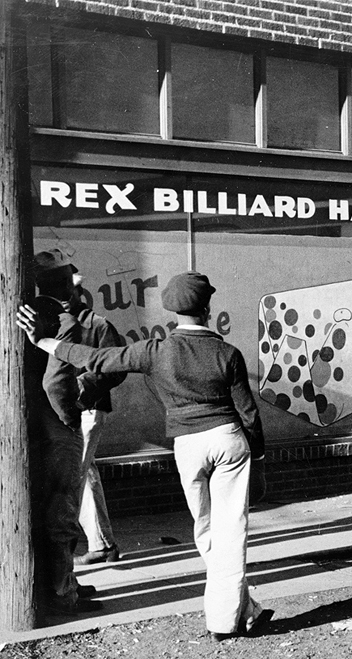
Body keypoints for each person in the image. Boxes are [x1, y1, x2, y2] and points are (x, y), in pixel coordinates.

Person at [17, 271, 273, 641]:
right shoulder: (228, 353)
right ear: (208, 308)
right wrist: (260, 463)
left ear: (171, 309)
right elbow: (249, 413)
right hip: (229, 440)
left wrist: (44, 340)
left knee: (205, 530)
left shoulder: (154, 351)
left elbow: (96, 358)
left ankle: (243, 610)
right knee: (230, 532)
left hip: (187, 446)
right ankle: (225, 619)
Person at [34, 250, 127, 567]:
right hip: (69, 412)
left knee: (77, 476)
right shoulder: (50, 320)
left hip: (84, 410)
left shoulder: (95, 324)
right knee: (84, 473)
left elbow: (116, 369)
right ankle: (103, 543)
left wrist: (81, 391)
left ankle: (101, 545)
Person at [23, 286, 102, 615]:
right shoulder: (64, 320)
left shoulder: (35, 314)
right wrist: (72, 414)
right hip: (58, 426)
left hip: (37, 426)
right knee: (61, 514)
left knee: (50, 513)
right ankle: (62, 592)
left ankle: (62, 584)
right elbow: (56, 382)